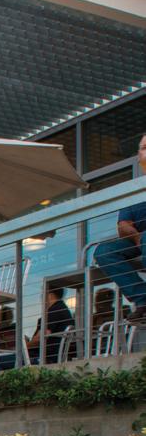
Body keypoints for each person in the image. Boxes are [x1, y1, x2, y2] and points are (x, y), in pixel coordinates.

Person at [93, 134, 146, 325]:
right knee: (104, 252)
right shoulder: (134, 189)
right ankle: (143, 300)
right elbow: (123, 225)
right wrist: (137, 237)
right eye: (143, 148)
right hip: (138, 240)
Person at [27, 288, 75, 364]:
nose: (41, 297)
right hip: (52, 356)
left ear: (50, 295)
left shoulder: (54, 311)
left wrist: (23, 347)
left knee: (6, 360)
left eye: (42, 294)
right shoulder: (62, 309)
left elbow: (39, 339)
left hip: (44, 358)